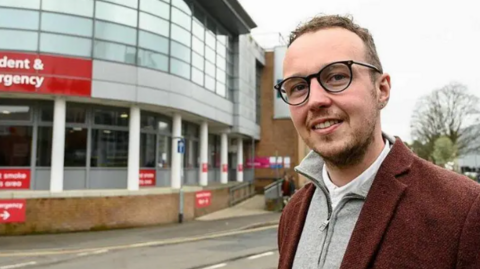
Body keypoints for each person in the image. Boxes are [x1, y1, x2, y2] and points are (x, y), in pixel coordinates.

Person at [275, 14, 480, 269]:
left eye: (337, 76)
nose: (315, 100)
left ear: (381, 90)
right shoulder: (293, 212)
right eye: (297, 87)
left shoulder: (463, 210)